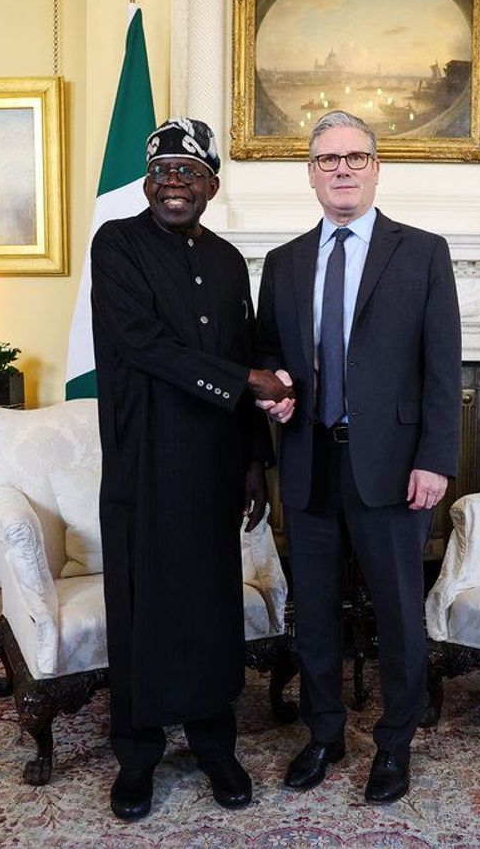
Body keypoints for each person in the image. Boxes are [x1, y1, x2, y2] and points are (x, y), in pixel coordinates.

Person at [90, 117, 293, 821]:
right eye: (162, 171)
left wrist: (255, 461)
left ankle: (214, 745)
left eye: (189, 172)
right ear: (148, 182)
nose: (173, 182)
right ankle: (137, 756)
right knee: (142, 608)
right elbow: (142, 342)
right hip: (143, 459)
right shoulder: (117, 243)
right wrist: (247, 381)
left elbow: (243, 350)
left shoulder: (230, 261)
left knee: (212, 608)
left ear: (211, 184)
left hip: (213, 464)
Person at [255, 110, 461, 804]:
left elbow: (442, 366)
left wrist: (435, 458)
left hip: (396, 468)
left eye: (355, 158)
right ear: (311, 174)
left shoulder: (423, 252)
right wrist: (277, 392)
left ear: (376, 168)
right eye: (327, 159)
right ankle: (324, 733)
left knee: (399, 612)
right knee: (313, 612)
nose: (341, 169)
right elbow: (270, 356)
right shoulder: (283, 263)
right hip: (310, 463)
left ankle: (395, 743)